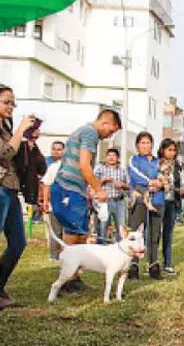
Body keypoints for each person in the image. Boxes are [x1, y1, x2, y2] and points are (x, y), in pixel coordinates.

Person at [50, 109, 121, 291]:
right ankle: (67, 279)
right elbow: (84, 165)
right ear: (105, 123)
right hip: (68, 189)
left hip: (76, 189)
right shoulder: (90, 134)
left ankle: (74, 277)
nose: (109, 136)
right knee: (73, 232)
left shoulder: (85, 132)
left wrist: (87, 188)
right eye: (111, 131)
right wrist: (98, 189)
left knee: (82, 232)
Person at [0, 83, 36, 310]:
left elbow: (17, 156)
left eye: (13, 102)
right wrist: (20, 130)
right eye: (6, 102)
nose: (11, 106)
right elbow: (3, 151)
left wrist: (28, 140)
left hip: (11, 188)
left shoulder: (6, 127)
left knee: (18, 242)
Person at [127, 132, 165, 280]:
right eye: (142, 143)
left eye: (148, 143)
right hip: (139, 200)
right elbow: (134, 175)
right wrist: (150, 182)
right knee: (136, 233)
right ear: (137, 145)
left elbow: (166, 176)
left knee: (154, 235)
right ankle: (133, 266)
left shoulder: (159, 162)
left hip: (157, 200)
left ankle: (153, 265)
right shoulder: (134, 160)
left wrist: (161, 183)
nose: (146, 145)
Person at [158, 138, 184, 276]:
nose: (172, 153)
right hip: (158, 201)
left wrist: (182, 189)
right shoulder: (156, 164)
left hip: (172, 202)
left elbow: (183, 183)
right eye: (169, 150)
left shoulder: (178, 166)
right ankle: (153, 262)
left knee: (168, 234)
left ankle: (167, 263)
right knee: (155, 233)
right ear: (163, 150)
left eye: (174, 150)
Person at [94, 148, 129, 244]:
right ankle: (101, 251)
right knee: (103, 227)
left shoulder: (122, 171)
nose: (111, 158)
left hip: (119, 201)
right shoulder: (100, 169)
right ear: (106, 157)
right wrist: (102, 180)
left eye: (114, 155)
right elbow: (93, 185)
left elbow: (129, 186)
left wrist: (122, 185)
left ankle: (121, 249)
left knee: (121, 227)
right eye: (109, 155)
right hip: (105, 202)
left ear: (117, 158)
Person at [15, 128, 46, 221]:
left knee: (31, 199)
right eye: (35, 131)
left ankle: (33, 218)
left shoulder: (36, 149)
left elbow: (41, 167)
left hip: (32, 180)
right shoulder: (21, 146)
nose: (38, 133)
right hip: (21, 179)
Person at [42, 143, 64, 261]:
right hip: (55, 204)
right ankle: (54, 255)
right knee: (55, 230)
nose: (56, 152)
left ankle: (67, 255)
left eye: (59, 150)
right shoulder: (52, 167)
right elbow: (46, 184)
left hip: (70, 205)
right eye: (54, 149)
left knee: (68, 231)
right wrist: (45, 201)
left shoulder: (74, 167)